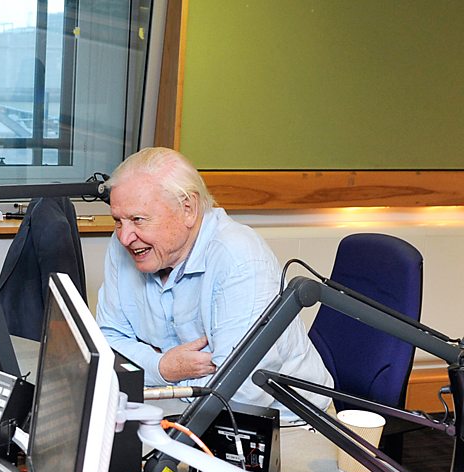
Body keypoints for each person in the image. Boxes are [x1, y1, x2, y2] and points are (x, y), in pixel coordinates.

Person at [95, 147, 332, 413]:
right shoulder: (127, 244)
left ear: (188, 208)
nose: (124, 236)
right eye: (118, 221)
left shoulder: (239, 258)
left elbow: (242, 392)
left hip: (282, 421)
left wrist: (150, 370)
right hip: (177, 404)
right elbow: (106, 341)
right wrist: (162, 367)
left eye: (138, 219)